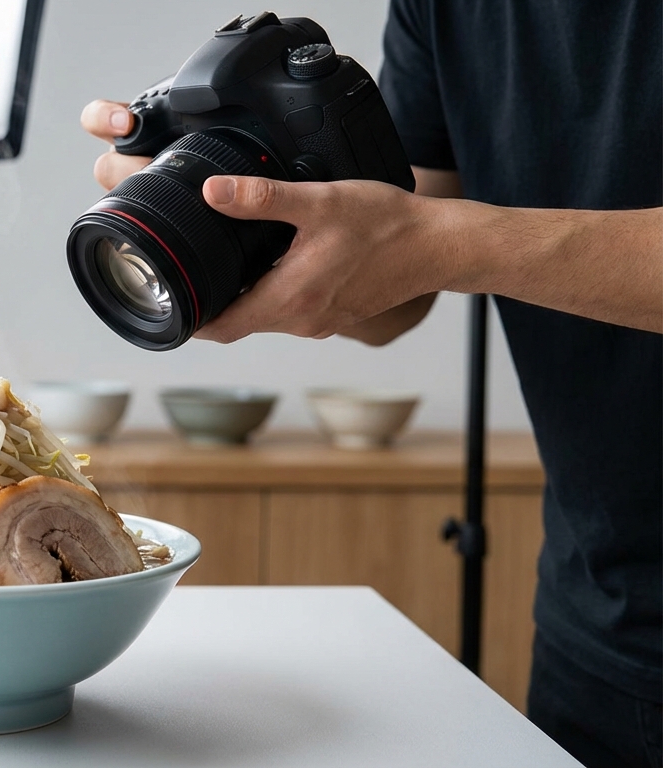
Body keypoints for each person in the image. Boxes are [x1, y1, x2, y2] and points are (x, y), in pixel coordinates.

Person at [81, 3, 661, 767]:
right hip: (593, 622)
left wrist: (455, 242)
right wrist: (243, 219)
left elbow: (431, 241)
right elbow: (397, 285)